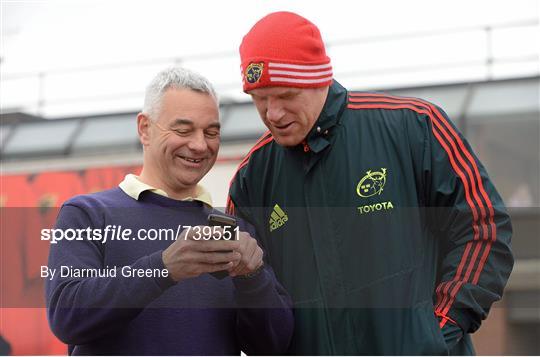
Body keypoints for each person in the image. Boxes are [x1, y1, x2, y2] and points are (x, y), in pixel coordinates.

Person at [226, 11, 513, 355]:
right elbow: (252, 305)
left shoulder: (415, 128)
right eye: (259, 99)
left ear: (320, 80)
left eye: (285, 95)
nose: (272, 113)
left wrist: (436, 335)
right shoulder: (251, 178)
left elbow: (484, 228)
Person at [46, 67, 293, 355]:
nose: (200, 145)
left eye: (211, 132)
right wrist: (163, 268)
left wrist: (253, 279)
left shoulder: (236, 233)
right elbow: (66, 317)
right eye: (183, 130)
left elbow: (271, 345)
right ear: (144, 128)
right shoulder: (87, 213)